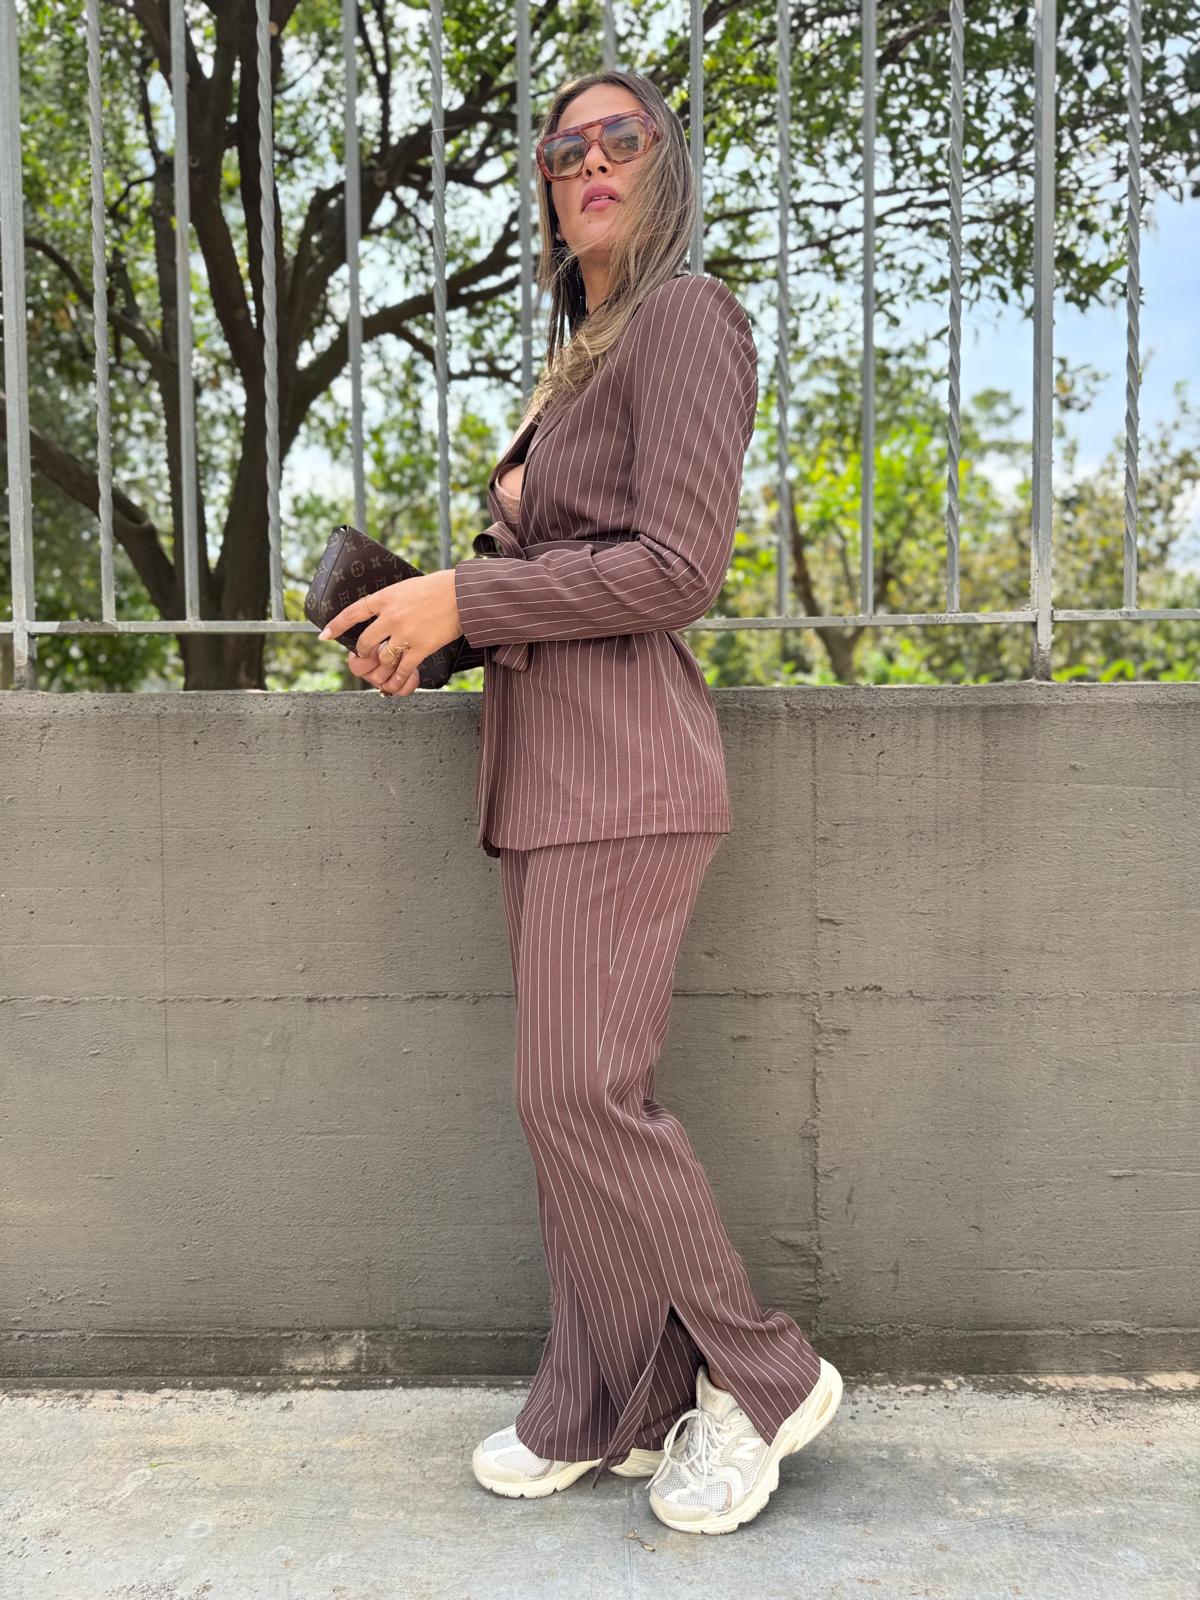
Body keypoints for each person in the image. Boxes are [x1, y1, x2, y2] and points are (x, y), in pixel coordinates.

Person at [317, 67, 842, 1536]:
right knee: (562, 1113)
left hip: (626, 770)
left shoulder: (688, 318)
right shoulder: (579, 360)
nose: (593, 159)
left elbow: (677, 568)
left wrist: (468, 592)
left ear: (667, 168)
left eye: (625, 138)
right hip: (544, 777)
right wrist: (435, 627)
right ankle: (604, 1397)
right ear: (547, 188)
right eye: (566, 148)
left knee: (580, 1094)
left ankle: (763, 1377)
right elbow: (570, 576)